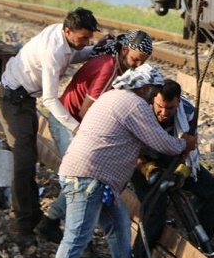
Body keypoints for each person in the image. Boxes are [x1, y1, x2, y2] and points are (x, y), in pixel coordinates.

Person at [53, 64, 196, 258]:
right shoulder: (134, 104)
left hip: (96, 180)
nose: (154, 97)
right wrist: (184, 144)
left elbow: (139, 141)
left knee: (119, 229)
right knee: (77, 237)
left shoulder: (113, 96)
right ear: (145, 87)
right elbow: (161, 142)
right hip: (88, 178)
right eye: (154, 91)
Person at [35, 29, 155, 243]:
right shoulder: (109, 68)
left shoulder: (120, 66)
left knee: (86, 174)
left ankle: (57, 223)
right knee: (84, 174)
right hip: (67, 120)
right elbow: (85, 112)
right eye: (136, 60)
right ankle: (54, 224)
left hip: (81, 124)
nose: (138, 66)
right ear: (125, 50)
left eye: (142, 63)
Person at [0, 7, 101, 247]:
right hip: (12, 100)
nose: (86, 42)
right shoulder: (53, 50)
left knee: (29, 157)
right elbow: (50, 99)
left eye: (89, 38)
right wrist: (75, 128)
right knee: (23, 162)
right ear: (68, 31)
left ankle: (32, 216)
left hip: (24, 99)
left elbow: (75, 55)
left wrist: (96, 50)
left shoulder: (64, 41)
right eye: (83, 38)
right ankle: (19, 224)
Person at [130, 79, 214, 258]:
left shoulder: (187, 112)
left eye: (170, 109)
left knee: (209, 187)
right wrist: (147, 168)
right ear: (153, 99)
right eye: (160, 107)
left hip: (172, 158)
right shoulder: (141, 110)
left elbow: (190, 146)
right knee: (155, 209)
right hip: (142, 160)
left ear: (178, 102)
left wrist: (183, 170)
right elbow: (130, 147)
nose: (164, 113)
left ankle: (204, 240)